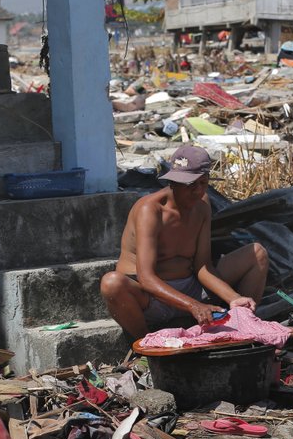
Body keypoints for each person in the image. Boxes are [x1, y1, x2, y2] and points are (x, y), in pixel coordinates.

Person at [100, 145, 269, 339]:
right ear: (173, 182)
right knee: (111, 283)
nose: (197, 191)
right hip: (151, 297)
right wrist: (193, 305)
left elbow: (203, 267)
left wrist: (235, 298)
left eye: (203, 183)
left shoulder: (202, 206)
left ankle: (244, 325)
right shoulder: (150, 210)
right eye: (190, 185)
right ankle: (146, 345)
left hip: (191, 288)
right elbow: (146, 278)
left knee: (257, 253)